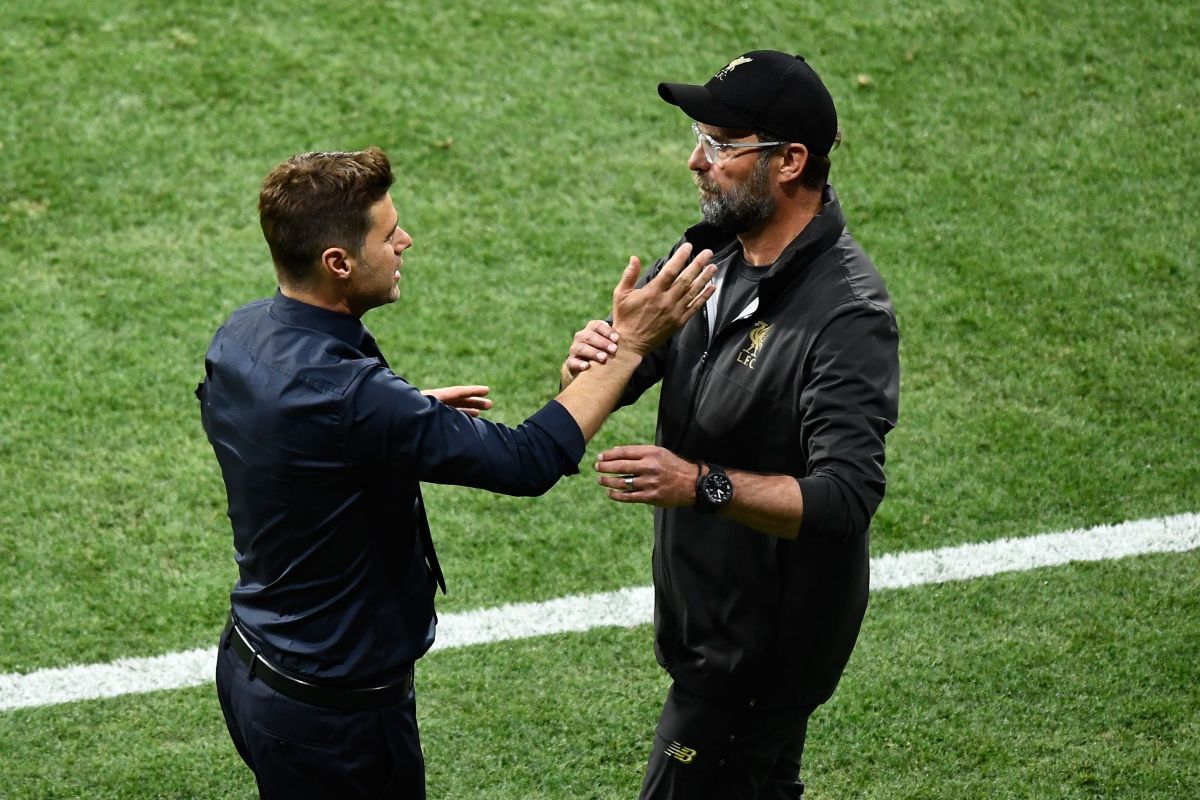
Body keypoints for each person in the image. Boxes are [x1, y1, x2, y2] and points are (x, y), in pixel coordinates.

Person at [196, 146, 716, 799]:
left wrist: (387, 426)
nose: (405, 242)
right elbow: (527, 461)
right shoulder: (352, 400)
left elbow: (262, 424)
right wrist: (632, 347)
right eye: (389, 236)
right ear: (338, 263)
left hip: (252, 670)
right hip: (335, 717)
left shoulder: (241, 334)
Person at [560, 51, 900, 799]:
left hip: (760, 654)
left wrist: (698, 483)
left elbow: (845, 500)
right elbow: (620, 372)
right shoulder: (709, 253)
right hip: (711, 626)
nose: (695, 161)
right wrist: (600, 357)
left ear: (790, 162)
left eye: (720, 145)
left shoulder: (846, 315)